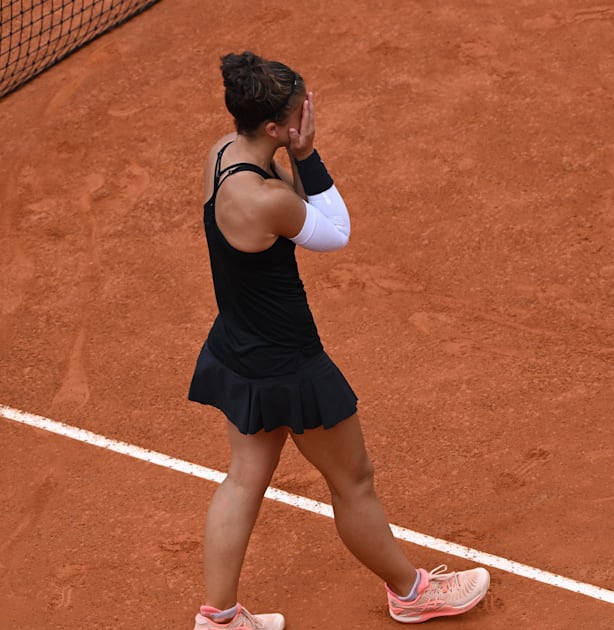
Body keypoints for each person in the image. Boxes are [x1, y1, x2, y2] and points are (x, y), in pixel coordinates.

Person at [187, 51, 490, 628]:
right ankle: (411, 592)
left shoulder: (222, 156)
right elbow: (335, 232)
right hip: (290, 364)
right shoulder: (269, 198)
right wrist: (305, 153)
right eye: (298, 107)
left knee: (244, 476)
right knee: (353, 480)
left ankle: (219, 619)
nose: (308, 108)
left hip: (238, 348)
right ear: (275, 127)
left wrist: (287, 154)